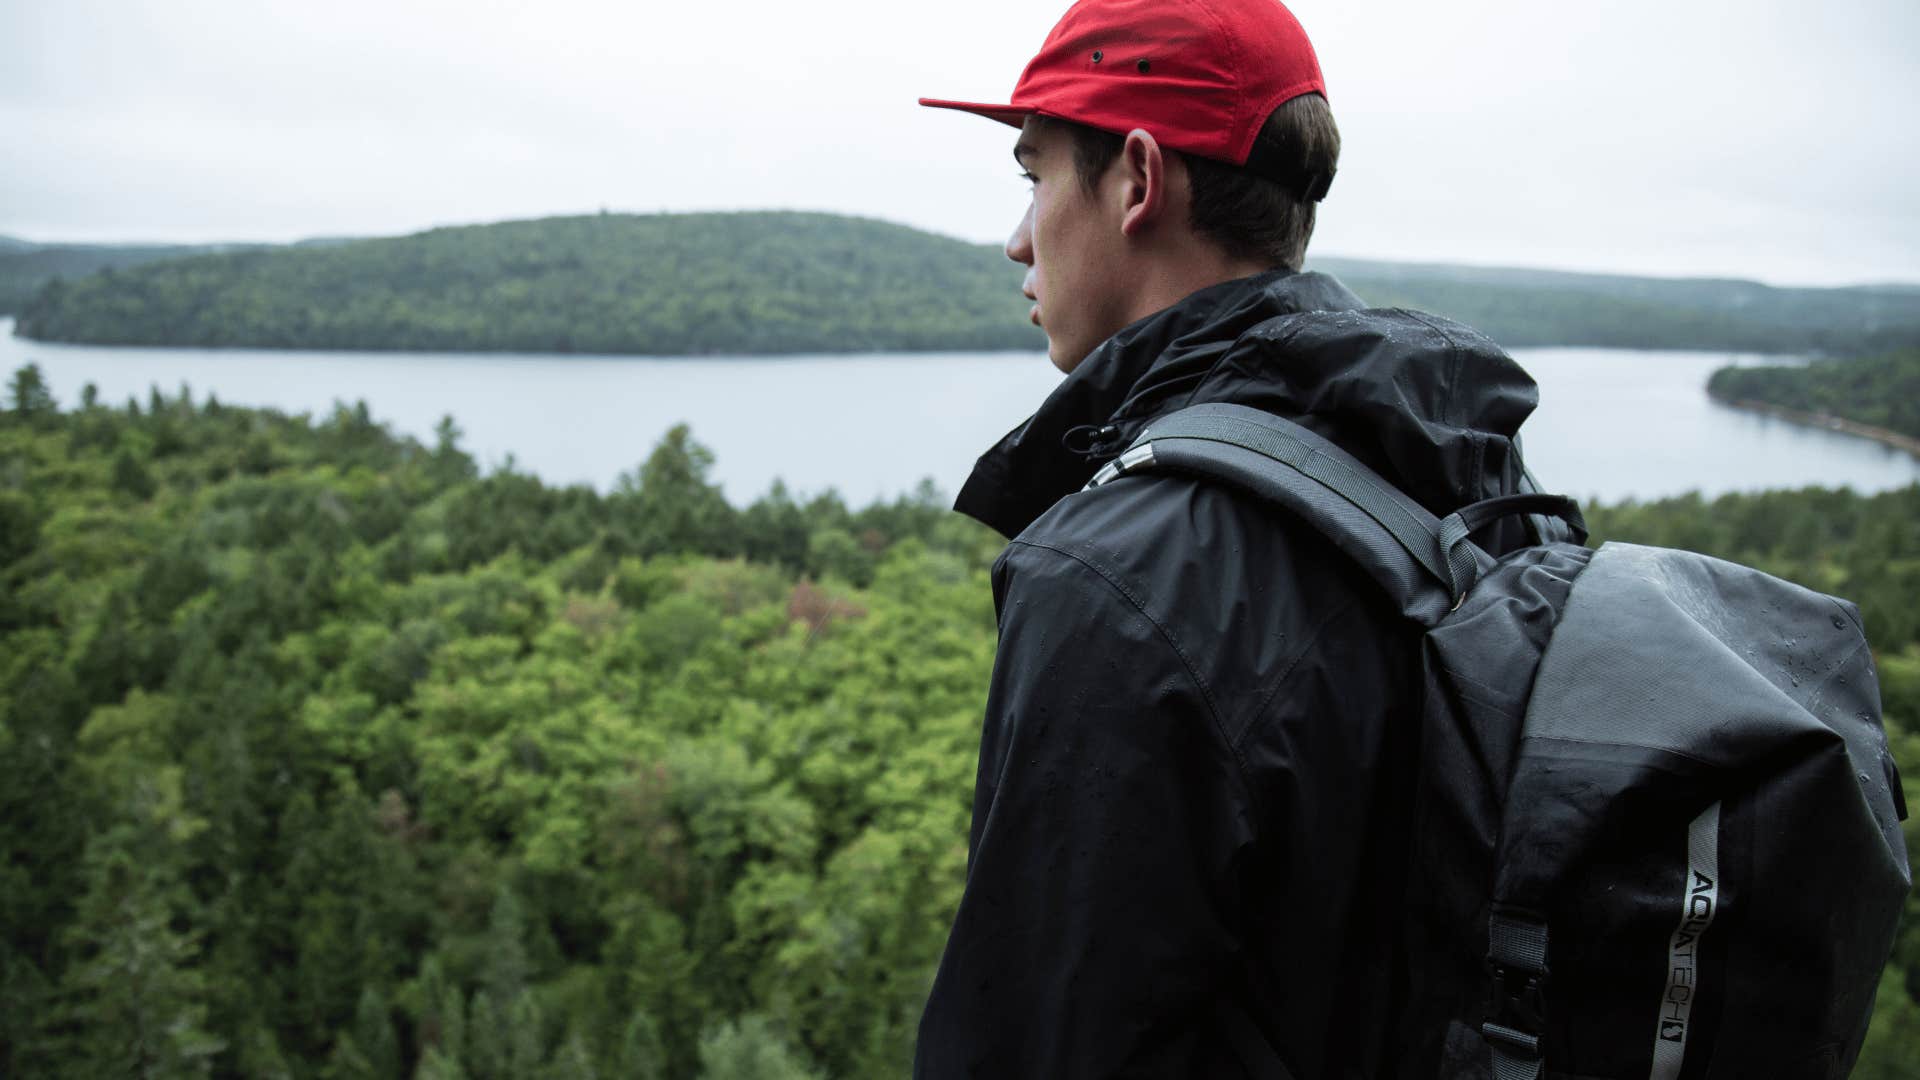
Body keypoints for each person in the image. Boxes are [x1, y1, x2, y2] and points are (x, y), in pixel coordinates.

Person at [914, 0, 1548, 1075]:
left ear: (1138, 181)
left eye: (1034, 176)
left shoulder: (1115, 579)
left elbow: (1037, 1042)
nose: (1017, 239)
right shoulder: (1465, 477)